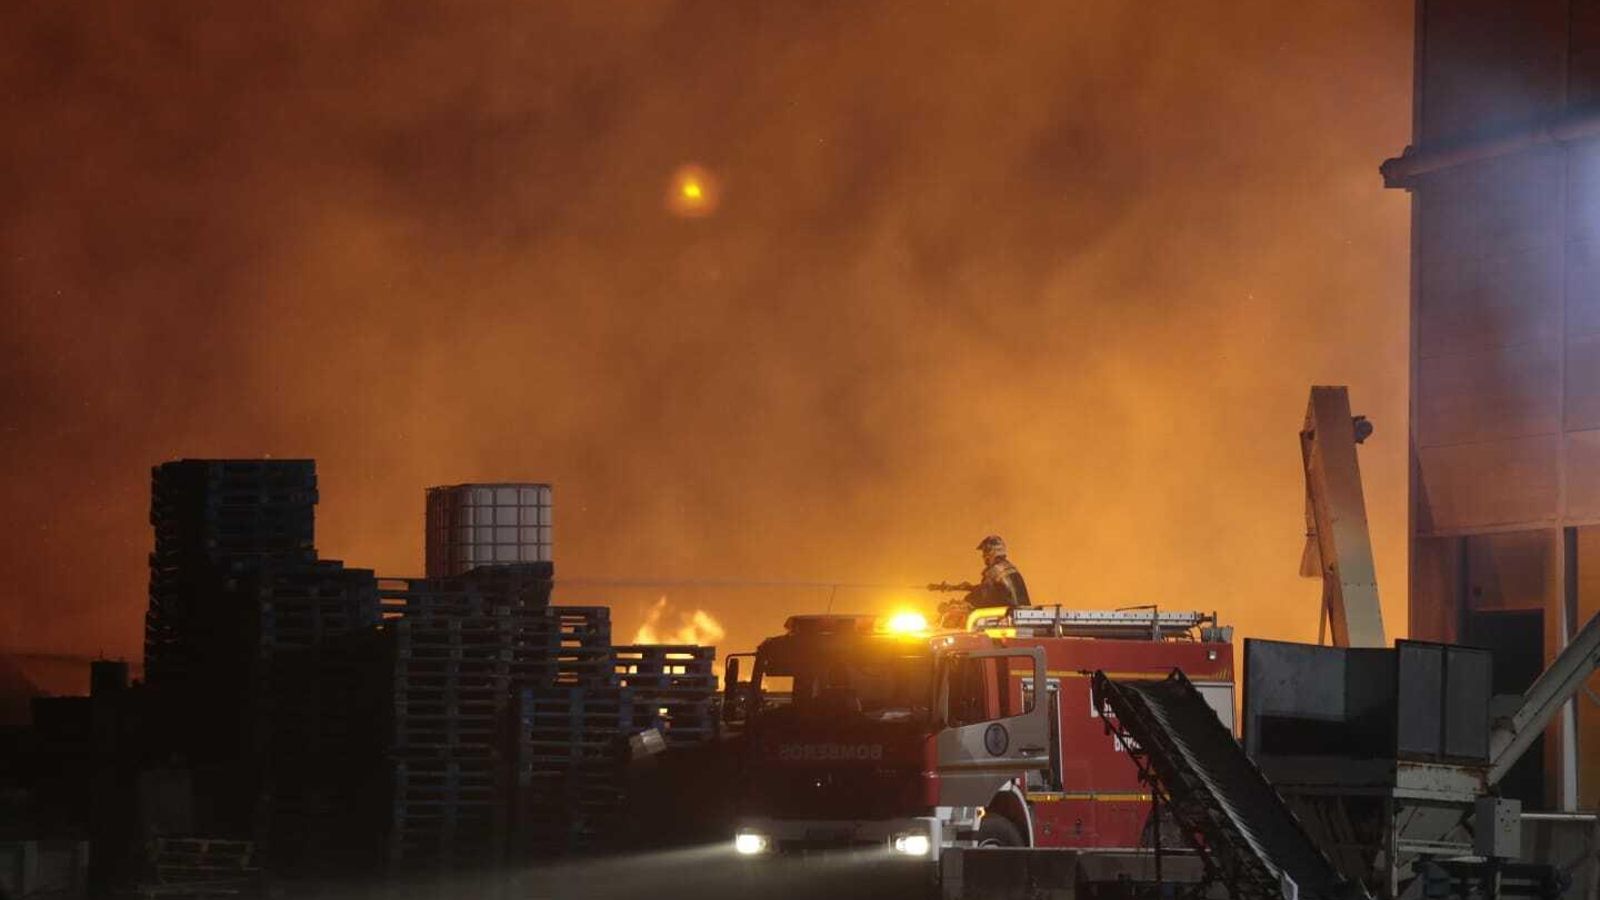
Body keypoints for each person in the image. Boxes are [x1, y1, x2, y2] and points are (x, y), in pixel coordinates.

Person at [935, 535, 1031, 627]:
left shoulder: (994, 570)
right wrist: (969, 587)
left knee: (958, 617)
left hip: (1004, 618)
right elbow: (996, 591)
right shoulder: (1008, 567)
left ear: (992, 551)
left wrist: (961, 604)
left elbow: (983, 597)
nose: (983, 556)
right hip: (1018, 615)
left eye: (985, 551)